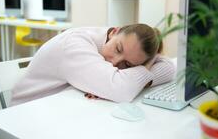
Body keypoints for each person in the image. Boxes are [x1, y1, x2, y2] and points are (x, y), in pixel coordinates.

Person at [10, 24, 175, 106]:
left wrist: (148, 64)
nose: (114, 63)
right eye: (118, 49)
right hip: (26, 116)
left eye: (127, 64)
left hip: (63, 109)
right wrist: (138, 75)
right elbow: (121, 89)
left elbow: (169, 67)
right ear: (114, 32)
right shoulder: (75, 44)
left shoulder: (112, 40)